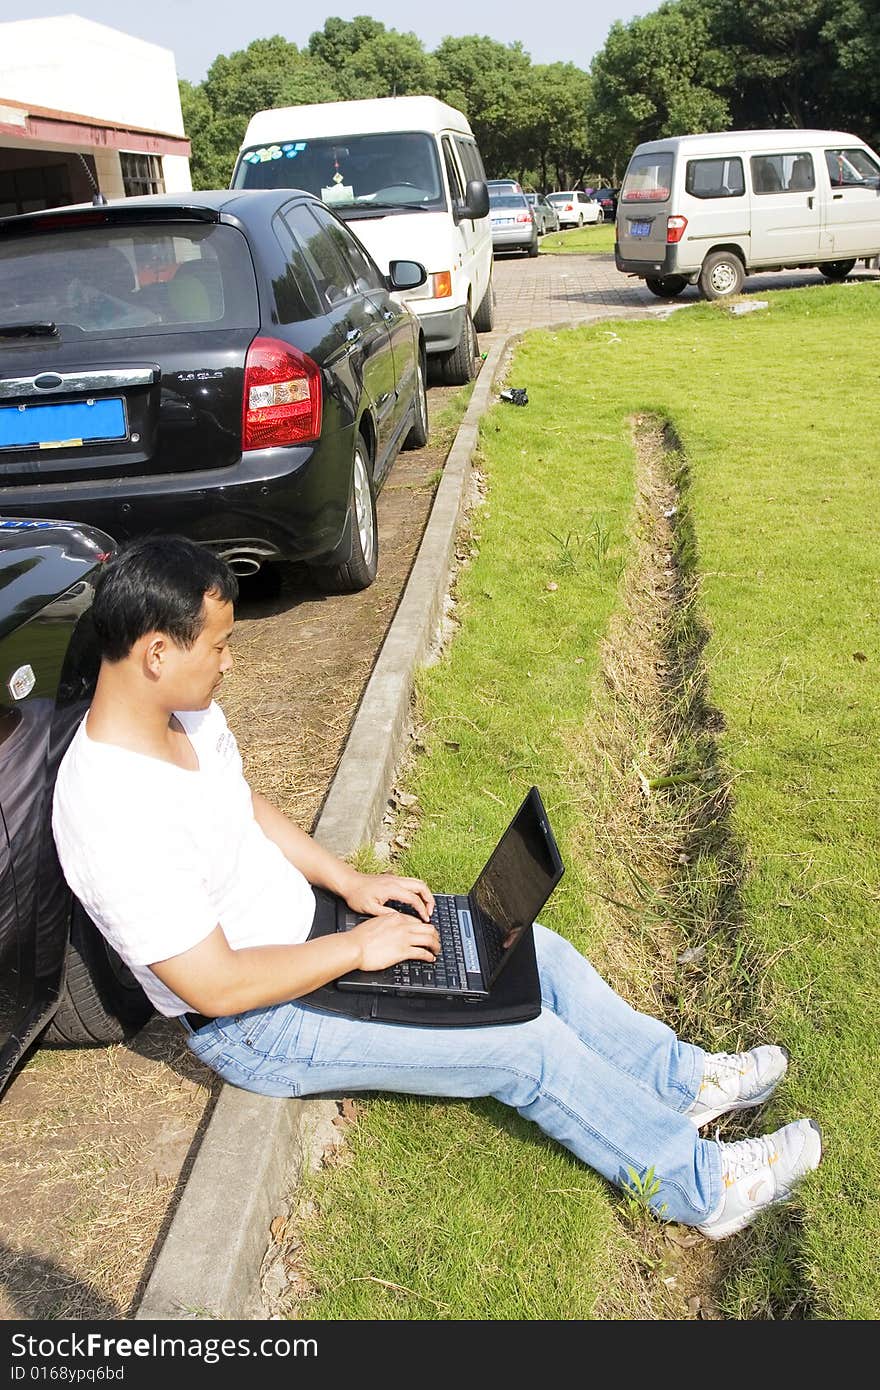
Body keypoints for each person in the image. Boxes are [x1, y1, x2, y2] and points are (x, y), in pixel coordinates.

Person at [51, 536, 822, 1242]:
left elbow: (239, 801)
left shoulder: (182, 716)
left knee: (527, 951)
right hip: (261, 1024)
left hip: (312, 933)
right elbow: (215, 988)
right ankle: (703, 1189)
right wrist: (358, 945)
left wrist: (349, 883)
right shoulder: (111, 810)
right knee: (525, 1050)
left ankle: (680, 1081)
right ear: (156, 653)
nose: (230, 663)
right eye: (220, 646)